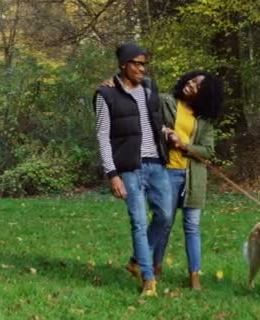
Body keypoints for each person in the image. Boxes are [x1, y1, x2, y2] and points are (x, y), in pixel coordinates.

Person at [93, 41, 172, 297]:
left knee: (165, 216)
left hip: (156, 163)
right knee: (138, 222)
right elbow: (103, 136)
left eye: (144, 64)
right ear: (123, 64)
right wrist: (112, 174)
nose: (142, 69)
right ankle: (148, 278)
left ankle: (138, 259)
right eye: (137, 64)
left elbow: (153, 122)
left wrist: (166, 133)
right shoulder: (106, 95)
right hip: (129, 168)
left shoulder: (149, 89)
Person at [156, 70, 225, 290]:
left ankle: (194, 276)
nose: (190, 84)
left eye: (197, 85)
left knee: (192, 227)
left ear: (204, 95)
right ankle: (154, 269)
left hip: (193, 178)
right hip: (166, 172)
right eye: (192, 80)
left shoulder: (204, 120)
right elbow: (146, 118)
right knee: (163, 223)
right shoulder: (166, 102)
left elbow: (207, 151)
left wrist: (183, 145)